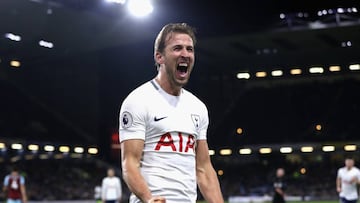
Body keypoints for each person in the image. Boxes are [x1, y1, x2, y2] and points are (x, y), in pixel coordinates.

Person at [119, 23, 224, 203]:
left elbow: (204, 169)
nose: (185, 54)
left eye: (189, 49)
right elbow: (130, 164)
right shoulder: (138, 100)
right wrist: (149, 198)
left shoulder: (198, 107)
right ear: (159, 57)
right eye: (177, 48)